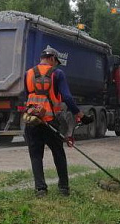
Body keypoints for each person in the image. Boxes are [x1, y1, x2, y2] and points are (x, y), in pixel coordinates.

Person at [24, 46, 83, 197]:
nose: (56, 65)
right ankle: (63, 188)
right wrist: (78, 113)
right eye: (56, 62)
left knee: (36, 155)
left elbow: (27, 97)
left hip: (33, 121)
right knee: (58, 153)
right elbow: (67, 98)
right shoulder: (57, 73)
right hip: (50, 122)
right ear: (52, 59)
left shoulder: (28, 74)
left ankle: (40, 189)